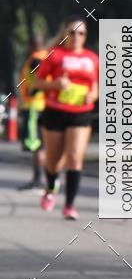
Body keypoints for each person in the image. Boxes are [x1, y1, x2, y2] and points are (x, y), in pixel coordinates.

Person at [34, 17, 99, 220]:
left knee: (74, 158)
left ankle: (69, 206)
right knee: (53, 162)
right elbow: (36, 82)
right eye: (72, 32)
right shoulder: (55, 55)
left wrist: (93, 96)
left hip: (80, 113)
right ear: (65, 34)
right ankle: (51, 186)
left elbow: (95, 85)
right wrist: (55, 86)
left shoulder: (92, 58)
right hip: (55, 112)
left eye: (81, 33)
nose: (77, 37)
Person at [17, 33, 49, 190]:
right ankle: (40, 178)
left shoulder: (36, 59)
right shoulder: (45, 57)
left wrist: (32, 92)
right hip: (44, 106)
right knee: (41, 145)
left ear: (31, 44)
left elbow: (38, 79)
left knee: (37, 145)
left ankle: (38, 179)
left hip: (34, 108)